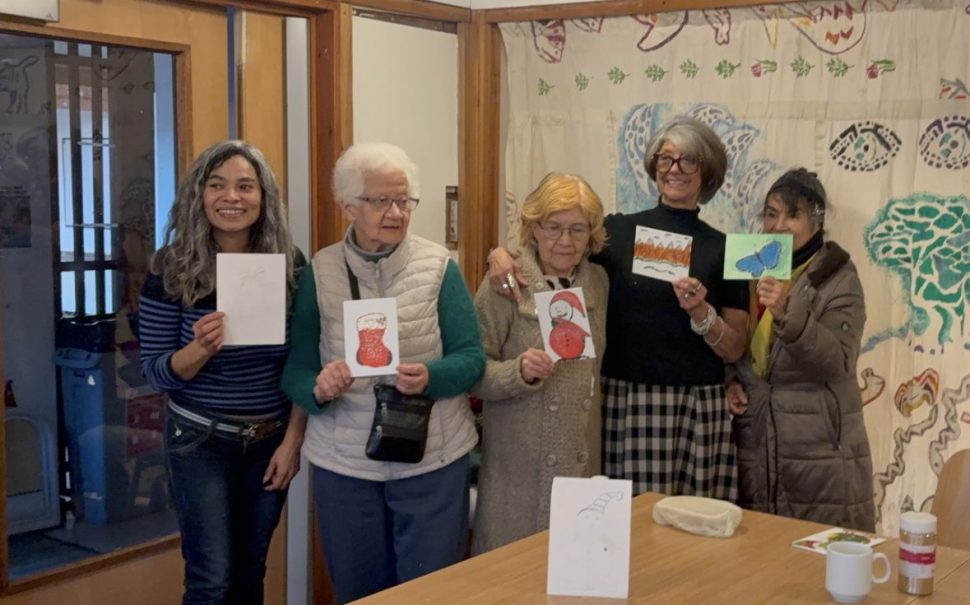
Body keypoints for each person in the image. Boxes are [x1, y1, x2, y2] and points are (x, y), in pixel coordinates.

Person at [488, 117, 748, 500]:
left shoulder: (727, 248)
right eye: (665, 159)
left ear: (707, 171)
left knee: (693, 527)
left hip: (698, 405)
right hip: (627, 400)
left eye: (688, 160)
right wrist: (498, 255)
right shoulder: (617, 232)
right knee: (628, 527)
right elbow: (555, 252)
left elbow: (735, 347)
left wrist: (700, 312)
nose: (674, 169)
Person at [281, 142, 485, 604]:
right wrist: (318, 387)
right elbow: (296, 369)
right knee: (359, 592)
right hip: (345, 466)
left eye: (404, 201)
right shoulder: (322, 269)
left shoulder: (438, 267)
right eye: (381, 201)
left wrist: (431, 376)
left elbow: (472, 358)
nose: (396, 212)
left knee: (432, 594)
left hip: (432, 460)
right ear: (348, 207)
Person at [139, 140, 307, 605]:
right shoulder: (169, 268)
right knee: (211, 582)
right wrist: (199, 349)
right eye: (217, 185)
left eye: (244, 186)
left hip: (271, 441)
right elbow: (154, 373)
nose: (231, 197)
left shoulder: (289, 265)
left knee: (250, 574)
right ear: (200, 194)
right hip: (200, 442)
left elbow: (302, 364)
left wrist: (293, 442)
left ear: (263, 197)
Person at [727, 168, 875, 531]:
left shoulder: (839, 277)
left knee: (818, 560)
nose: (779, 225)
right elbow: (743, 345)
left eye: (793, 215)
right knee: (762, 557)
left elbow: (838, 360)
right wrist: (732, 380)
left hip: (820, 448)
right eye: (772, 214)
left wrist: (787, 310)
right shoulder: (752, 268)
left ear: (817, 221)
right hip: (758, 438)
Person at [471, 172, 609, 554]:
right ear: (533, 228)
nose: (565, 241)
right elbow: (474, 370)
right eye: (553, 227)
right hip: (518, 472)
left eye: (578, 229)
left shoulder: (598, 281)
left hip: (580, 463)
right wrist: (518, 372)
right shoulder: (506, 281)